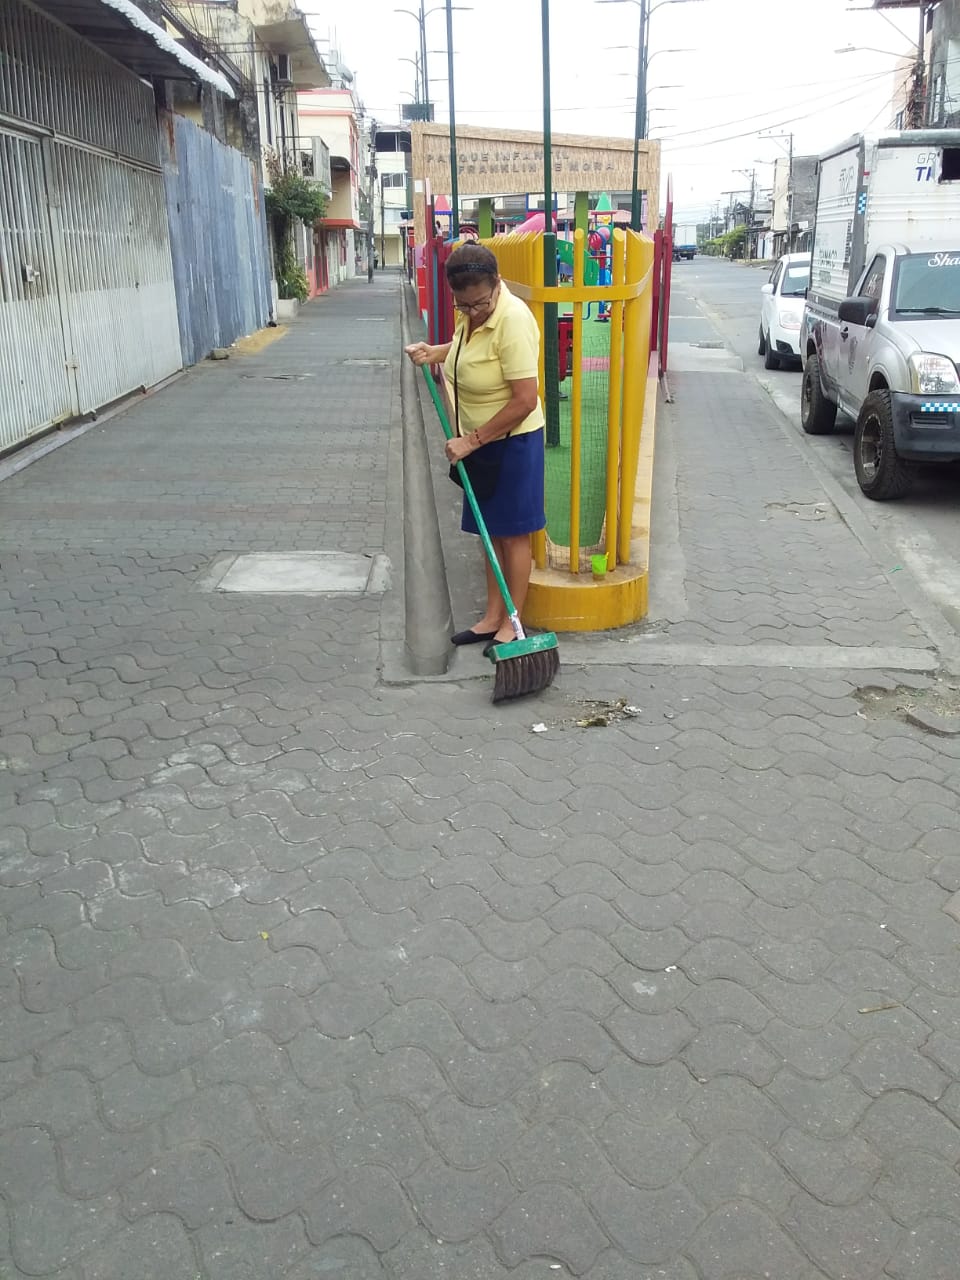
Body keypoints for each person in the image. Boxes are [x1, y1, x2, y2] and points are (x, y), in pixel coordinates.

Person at [405, 243, 545, 654]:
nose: (473, 312)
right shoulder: (470, 313)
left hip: (512, 442)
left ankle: (513, 623)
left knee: (513, 535)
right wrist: (436, 352)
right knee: (490, 532)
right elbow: (470, 350)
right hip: (477, 442)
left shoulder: (512, 320)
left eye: (480, 303)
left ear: (497, 284)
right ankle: (492, 616)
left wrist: (471, 440)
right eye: (463, 305)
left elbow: (525, 400)